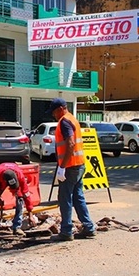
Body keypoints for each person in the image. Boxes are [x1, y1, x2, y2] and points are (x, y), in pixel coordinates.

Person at [46, 97, 96, 241]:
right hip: (79, 164)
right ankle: (88, 227)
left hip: (70, 166)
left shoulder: (65, 122)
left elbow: (70, 144)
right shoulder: (72, 119)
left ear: (61, 108)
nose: (53, 115)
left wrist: (62, 167)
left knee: (65, 198)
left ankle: (66, 231)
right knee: (78, 197)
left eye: (54, 112)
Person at [0, 162, 34, 236]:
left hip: (14, 177)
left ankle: (17, 227)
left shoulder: (20, 176)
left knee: (20, 200)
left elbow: (26, 195)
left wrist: (30, 214)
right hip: (0, 179)